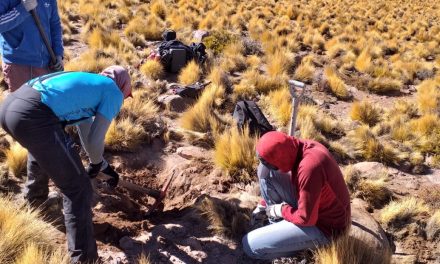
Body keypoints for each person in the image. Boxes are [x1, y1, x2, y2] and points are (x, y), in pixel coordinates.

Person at [0, 65, 132, 263]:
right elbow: (96, 140)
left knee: (41, 149)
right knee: (78, 188)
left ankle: (35, 202)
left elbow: (87, 136)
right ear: (123, 86)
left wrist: (102, 166)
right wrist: (96, 164)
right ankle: (84, 259)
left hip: (9, 108)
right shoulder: (112, 91)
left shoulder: (88, 83)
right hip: (34, 115)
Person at [242, 131, 351, 260]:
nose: (272, 168)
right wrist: (264, 204)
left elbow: (306, 219)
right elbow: (271, 176)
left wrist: (281, 210)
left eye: (274, 165)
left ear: (282, 160)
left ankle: (301, 249)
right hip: (315, 211)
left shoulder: (309, 168)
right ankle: (279, 228)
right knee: (268, 176)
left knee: (250, 246)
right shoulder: (299, 147)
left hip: (328, 229)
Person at [0, 0, 64, 92]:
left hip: (47, 64)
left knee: (44, 104)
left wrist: (58, 54)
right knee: (22, 104)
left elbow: (55, 24)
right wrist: (22, 9)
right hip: (19, 65)